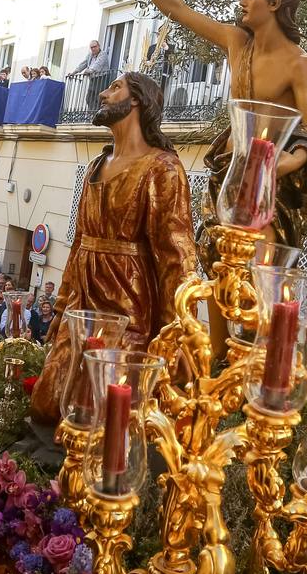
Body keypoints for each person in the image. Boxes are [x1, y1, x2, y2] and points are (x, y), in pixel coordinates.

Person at [107, 0, 307, 247]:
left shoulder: (297, 63)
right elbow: (176, 9)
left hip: (266, 182)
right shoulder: (236, 42)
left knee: (257, 273)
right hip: (228, 170)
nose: (241, 2)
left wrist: (292, 160)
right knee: (220, 267)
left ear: (274, 3)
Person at [29, 72, 198, 425]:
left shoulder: (162, 168)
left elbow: (176, 257)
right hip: (81, 305)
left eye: (115, 87)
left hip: (126, 306)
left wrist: (179, 331)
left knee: (106, 412)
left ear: (137, 99)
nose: (104, 94)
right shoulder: (95, 166)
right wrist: (61, 307)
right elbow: (78, 244)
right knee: (48, 403)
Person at [67, 38, 111, 113]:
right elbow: (82, 64)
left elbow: (98, 65)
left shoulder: (103, 54)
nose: (93, 49)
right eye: (91, 47)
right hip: (93, 79)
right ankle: (93, 113)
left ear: (98, 46)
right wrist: (73, 73)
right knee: (89, 98)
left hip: (102, 78)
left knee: (99, 97)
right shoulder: (90, 55)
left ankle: (98, 113)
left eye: (95, 46)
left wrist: (89, 71)